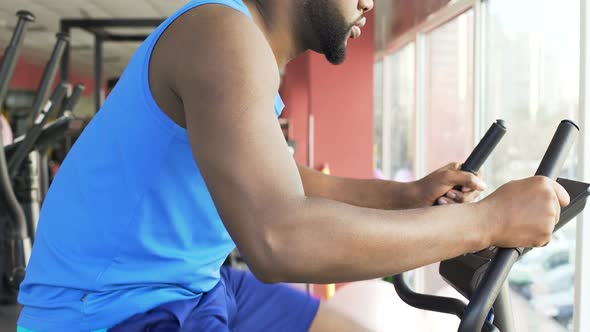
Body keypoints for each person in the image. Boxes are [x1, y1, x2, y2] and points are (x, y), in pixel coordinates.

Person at [17, 0, 570, 331]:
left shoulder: (244, 49)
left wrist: (406, 196)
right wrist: (488, 222)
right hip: (114, 311)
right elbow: (279, 241)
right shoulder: (221, 35)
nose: (369, 4)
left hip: (192, 286)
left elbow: (286, 183)